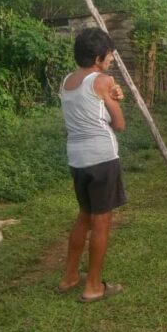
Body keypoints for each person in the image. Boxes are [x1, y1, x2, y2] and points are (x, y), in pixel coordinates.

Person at [57, 27, 126, 302]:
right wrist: (113, 98)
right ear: (98, 58)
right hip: (102, 158)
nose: (111, 59)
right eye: (109, 55)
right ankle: (93, 285)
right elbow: (120, 124)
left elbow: (90, 106)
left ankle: (69, 277)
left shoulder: (67, 81)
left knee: (84, 215)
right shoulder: (103, 80)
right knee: (101, 221)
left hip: (77, 159)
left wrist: (111, 96)